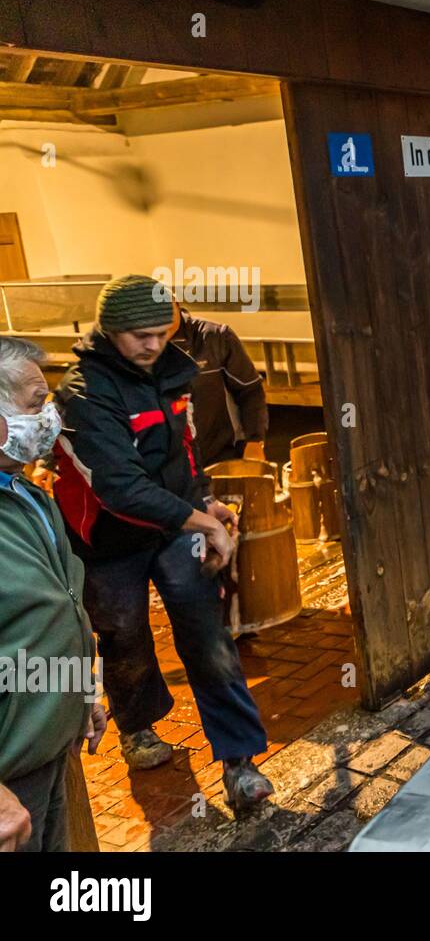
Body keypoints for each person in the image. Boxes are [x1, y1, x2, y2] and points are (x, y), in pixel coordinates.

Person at [52, 275, 274, 814]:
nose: (152, 345)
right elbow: (118, 486)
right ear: (110, 330)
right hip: (107, 539)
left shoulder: (171, 369)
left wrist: (206, 502)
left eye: (160, 332)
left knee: (207, 632)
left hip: (174, 526)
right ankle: (138, 726)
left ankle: (241, 759)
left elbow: (184, 453)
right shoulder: (84, 392)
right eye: (138, 336)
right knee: (124, 634)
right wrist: (202, 522)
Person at [0, 336, 106, 851]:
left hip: (46, 746)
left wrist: (81, 688)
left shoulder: (24, 492)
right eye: (34, 404)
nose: (49, 416)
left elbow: (56, 606)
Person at [171, 309, 269, 466]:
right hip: (173, 468)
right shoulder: (140, 349)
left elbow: (250, 390)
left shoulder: (216, 338)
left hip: (223, 457)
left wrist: (254, 441)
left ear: (175, 303)